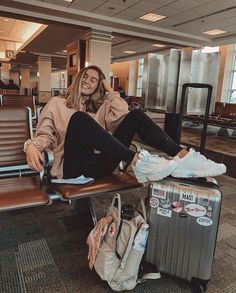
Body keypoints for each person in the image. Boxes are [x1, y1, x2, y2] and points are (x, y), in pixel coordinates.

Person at [24, 65, 226, 183]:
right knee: (79, 118)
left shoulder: (100, 108)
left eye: (94, 80)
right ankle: (139, 162)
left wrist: (110, 91)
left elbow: (123, 114)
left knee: (136, 116)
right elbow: (45, 135)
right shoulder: (57, 103)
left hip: (100, 164)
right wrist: (33, 145)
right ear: (78, 79)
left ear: (97, 87)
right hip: (72, 167)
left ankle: (183, 157)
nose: (88, 81)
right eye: (85, 77)